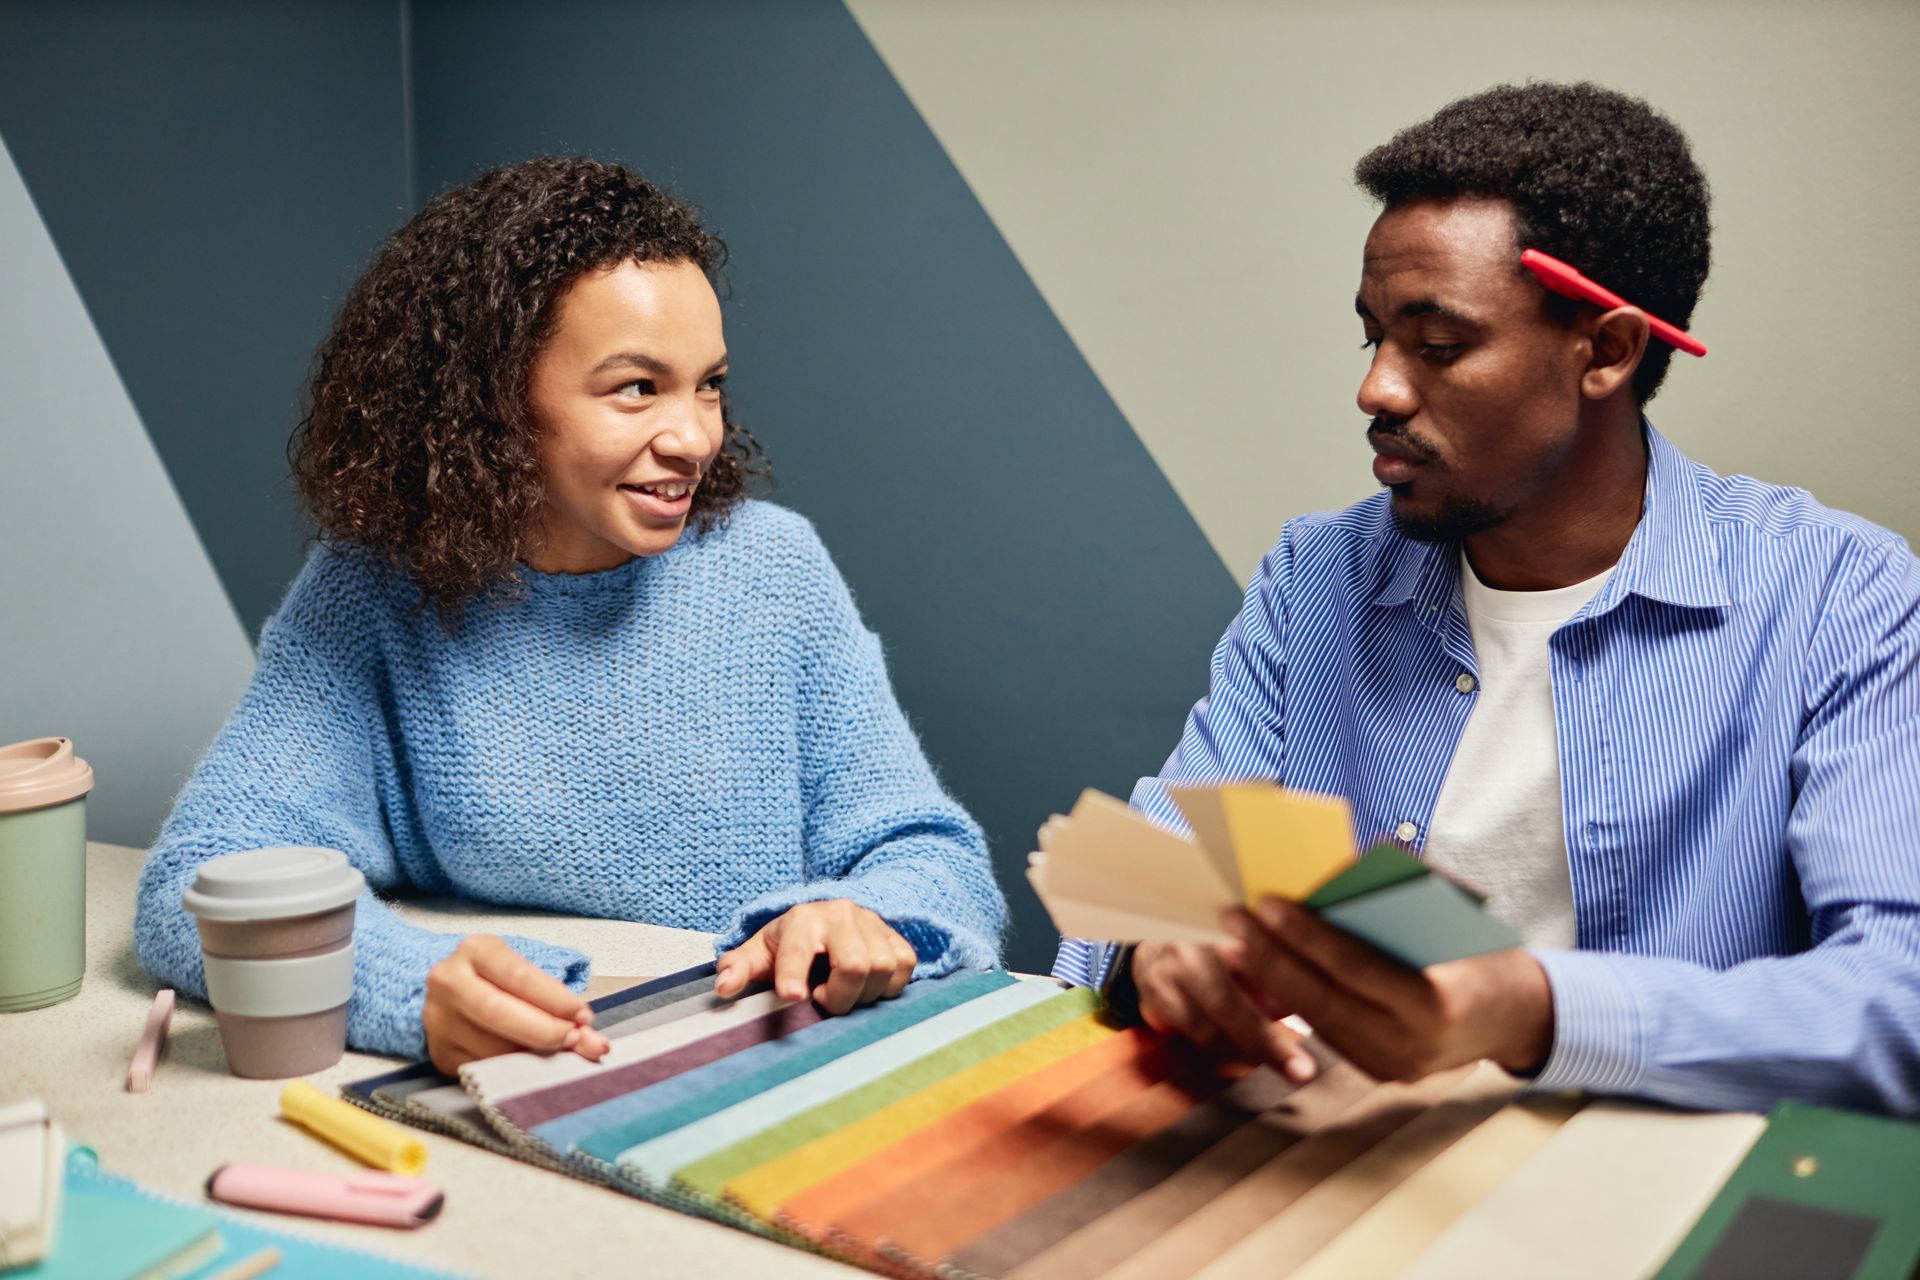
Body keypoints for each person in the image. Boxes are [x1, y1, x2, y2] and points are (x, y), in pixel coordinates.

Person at [1056, 82, 1920, 1116]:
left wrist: (1532, 1007)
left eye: (1437, 343)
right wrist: (1159, 941)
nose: (1377, 388)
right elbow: (1156, 870)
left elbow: (1897, 1002)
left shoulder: (1840, 595)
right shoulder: (1316, 576)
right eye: (1372, 335)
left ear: (1604, 349)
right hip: (1325, 1157)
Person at [135, 156, 1006, 1072]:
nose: (694, 436)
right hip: (519, 1086)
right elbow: (201, 877)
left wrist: (868, 914)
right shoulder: (372, 590)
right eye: (637, 387)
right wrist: (406, 985)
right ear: (493, 400)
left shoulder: (775, 571)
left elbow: (932, 856)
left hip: (765, 1067)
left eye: (707, 383)